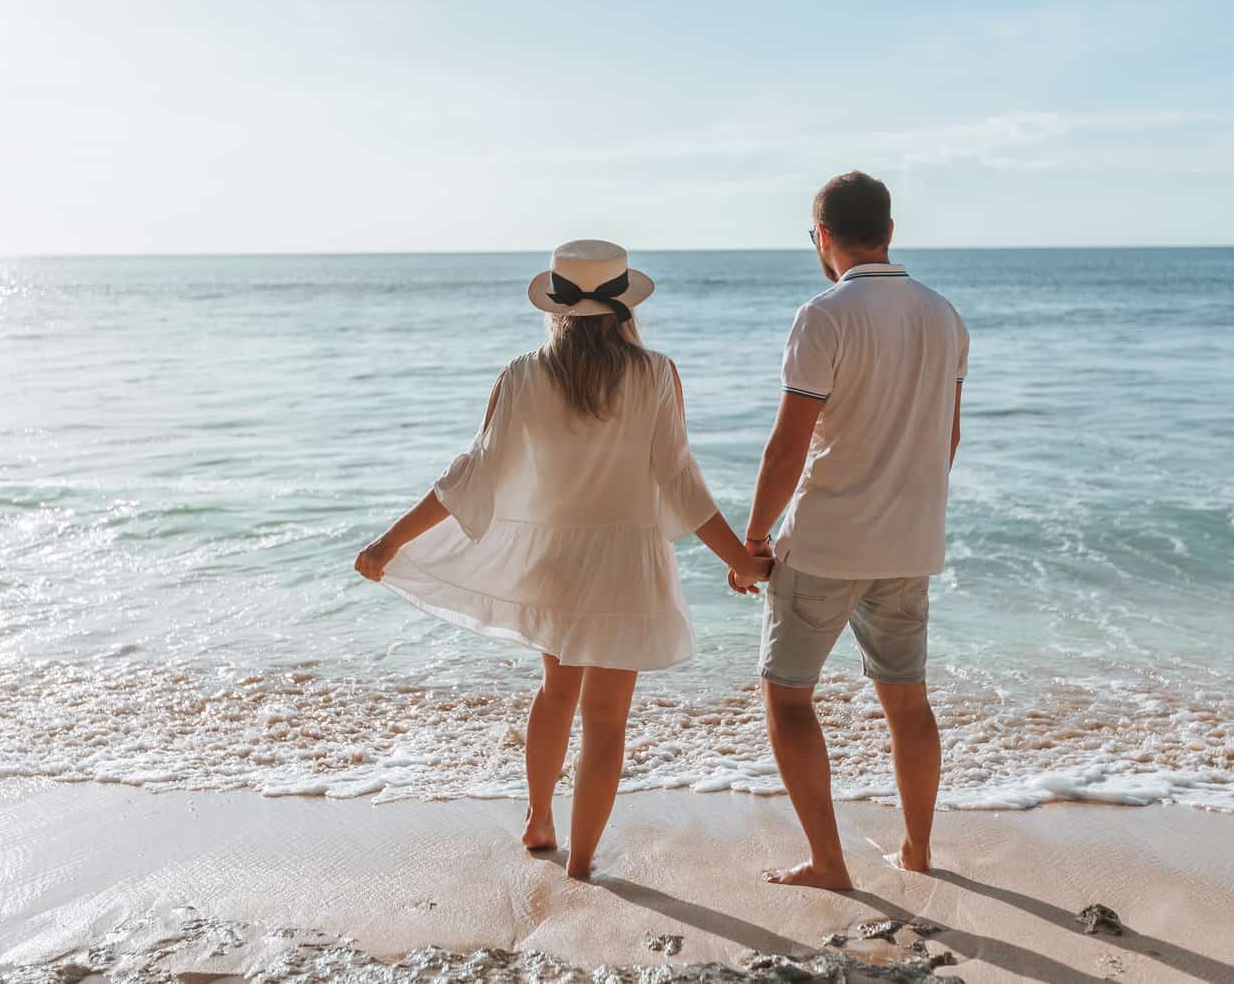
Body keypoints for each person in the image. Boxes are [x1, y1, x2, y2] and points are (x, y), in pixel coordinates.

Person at [354, 239, 772, 880]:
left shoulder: (523, 373)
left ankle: (538, 818)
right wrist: (740, 558)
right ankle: (580, 862)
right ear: (623, 306)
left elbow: (472, 476)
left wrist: (392, 540)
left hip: (554, 561)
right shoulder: (656, 371)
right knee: (605, 721)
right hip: (628, 567)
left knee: (556, 692)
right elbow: (679, 481)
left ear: (554, 307)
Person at [736, 172, 969, 890]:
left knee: (787, 695)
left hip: (830, 542)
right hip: (910, 542)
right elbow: (947, 438)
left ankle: (830, 863)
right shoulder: (945, 316)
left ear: (824, 237)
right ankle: (919, 850)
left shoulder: (824, 314)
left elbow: (788, 447)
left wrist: (753, 541)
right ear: (890, 232)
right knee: (908, 701)